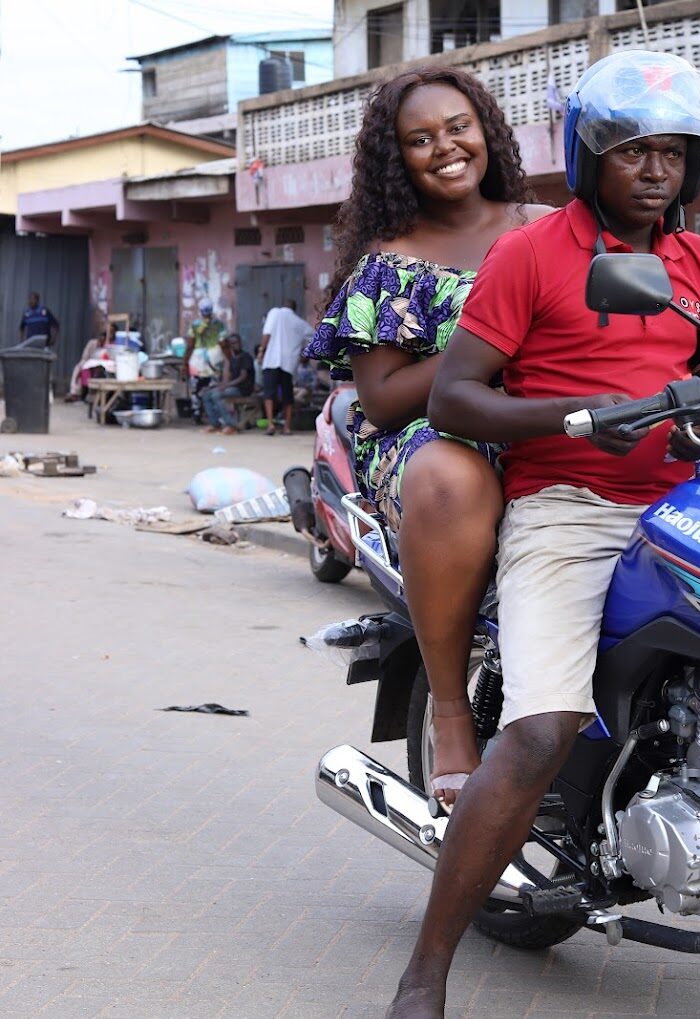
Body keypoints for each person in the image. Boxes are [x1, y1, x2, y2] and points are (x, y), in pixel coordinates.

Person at [388, 51, 700, 1017]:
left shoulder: (692, 263)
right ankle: (425, 973)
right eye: (632, 150)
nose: (654, 169)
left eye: (672, 153)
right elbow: (451, 393)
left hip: (683, 502)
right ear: (588, 155)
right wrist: (580, 412)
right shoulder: (528, 254)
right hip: (567, 507)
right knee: (538, 733)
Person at [304, 66, 551, 810]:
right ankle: (449, 711)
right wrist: (482, 353)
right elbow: (379, 400)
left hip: (548, 423)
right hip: (431, 443)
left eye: (457, 127)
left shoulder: (548, 227)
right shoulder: (387, 263)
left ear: (486, 131)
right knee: (452, 473)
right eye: (419, 139)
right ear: (396, 157)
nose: (444, 148)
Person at [257, 299, 314, 435]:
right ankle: (287, 427)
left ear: (283, 305)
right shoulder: (299, 322)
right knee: (287, 395)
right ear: (294, 309)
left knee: (269, 393)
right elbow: (315, 336)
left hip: (271, 360)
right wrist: (304, 354)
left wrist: (261, 351)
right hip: (288, 363)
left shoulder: (275, 313)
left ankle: (271, 424)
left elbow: (267, 334)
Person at [201, 333, 255, 434]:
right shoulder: (230, 359)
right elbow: (226, 379)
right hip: (232, 387)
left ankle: (230, 425)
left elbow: (243, 377)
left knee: (217, 395)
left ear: (241, 343)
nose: (234, 345)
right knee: (206, 394)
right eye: (232, 344)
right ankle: (215, 424)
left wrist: (226, 386)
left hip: (242, 388)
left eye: (236, 343)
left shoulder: (245, 357)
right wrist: (214, 386)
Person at [183, 298, 227, 423]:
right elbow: (223, 342)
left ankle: (197, 413)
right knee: (213, 385)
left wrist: (185, 362)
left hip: (197, 359)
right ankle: (214, 414)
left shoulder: (195, 325)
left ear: (200, 310)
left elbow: (190, 345)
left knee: (196, 388)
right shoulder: (219, 325)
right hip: (214, 357)